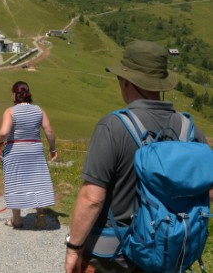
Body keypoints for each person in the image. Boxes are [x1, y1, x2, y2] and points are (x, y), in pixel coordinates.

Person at [64, 40, 212, 273]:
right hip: (168, 254)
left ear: (126, 81)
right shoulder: (189, 129)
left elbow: (92, 199)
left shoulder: (112, 126)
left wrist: (73, 248)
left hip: (113, 256)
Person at [0, 81, 58, 229]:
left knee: (15, 184)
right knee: (36, 180)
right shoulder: (39, 110)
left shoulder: (10, 111)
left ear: (14, 94)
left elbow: (4, 132)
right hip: (35, 150)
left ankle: (16, 220)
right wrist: (52, 149)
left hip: (15, 150)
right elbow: (49, 131)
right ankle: (40, 211)